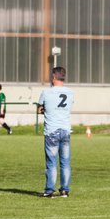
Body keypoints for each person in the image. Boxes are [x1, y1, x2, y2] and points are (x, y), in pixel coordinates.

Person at [38, 67, 74, 197]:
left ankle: (49, 190)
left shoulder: (46, 92)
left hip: (52, 130)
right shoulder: (70, 93)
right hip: (65, 129)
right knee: (65, 162)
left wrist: (46, 110)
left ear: (53, 77)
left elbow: (39, 109)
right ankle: (65, 189)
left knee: (51, 163)